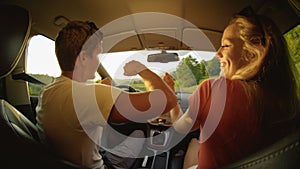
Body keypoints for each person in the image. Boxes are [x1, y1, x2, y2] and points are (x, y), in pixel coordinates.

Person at [162, 7, 299, 169]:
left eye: (225, 45)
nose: (217, 53)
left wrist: (170, 96)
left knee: (193, 143)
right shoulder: (289, 102)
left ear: (252, 51)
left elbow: (179, 127)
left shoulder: (211, 90)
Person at [35, 21, 178, 169]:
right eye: (97, 55)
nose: (98, 61)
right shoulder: (89, 95)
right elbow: (167, 100)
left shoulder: (47, 92)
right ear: (83, 58)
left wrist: (103, 92)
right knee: (140, 134)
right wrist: (140, 68)